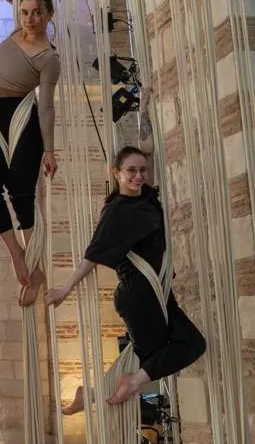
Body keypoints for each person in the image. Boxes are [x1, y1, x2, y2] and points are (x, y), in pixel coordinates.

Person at [47, 146, 206, 412]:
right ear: (117, 173)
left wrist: (145, 111)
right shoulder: (116, 211)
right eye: (131, 171)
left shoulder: (148, 198)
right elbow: (92, 255)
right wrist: (65, 289)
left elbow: (149, 147)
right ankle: (122, 386)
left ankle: (93, 394)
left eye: (142, 170)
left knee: (180, 347)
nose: (138, 176)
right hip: (139, 294)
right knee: (179, 348)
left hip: (159, 293)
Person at [0, 0, 62, 305]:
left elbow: (46, 106)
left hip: (23, 120)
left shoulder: (49, 58)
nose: (29, 19)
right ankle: (18, 256)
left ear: (49, 15)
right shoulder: (20, 26)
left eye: (37, 13)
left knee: (20, 192)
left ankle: (35, 267)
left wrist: (49, 148)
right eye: (24, 13)